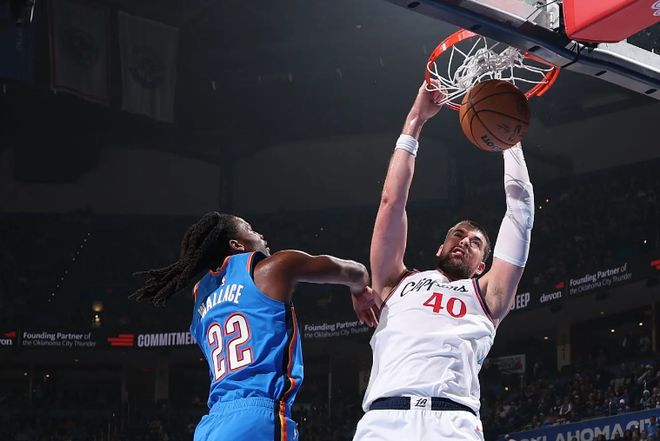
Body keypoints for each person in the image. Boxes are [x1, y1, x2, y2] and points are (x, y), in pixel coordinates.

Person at [353, 82, 535, 441]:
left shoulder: (489, 295)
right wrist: (416, 119)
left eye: (475, 242)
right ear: (440, 248)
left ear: (482, 266)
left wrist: (509, 140)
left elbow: (520, 212)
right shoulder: (394, 281)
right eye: (458, 234)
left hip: (452, 423)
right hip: (384, 420)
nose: (464, 241)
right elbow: (392, 201)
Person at [130, 212, 378, 441]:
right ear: (237, 245)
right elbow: (355, 271)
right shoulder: (274, 267)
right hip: (257, 418)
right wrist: (359, 291)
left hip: (211, 425)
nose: (261, 235)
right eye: (250, 230)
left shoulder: (200, 299)